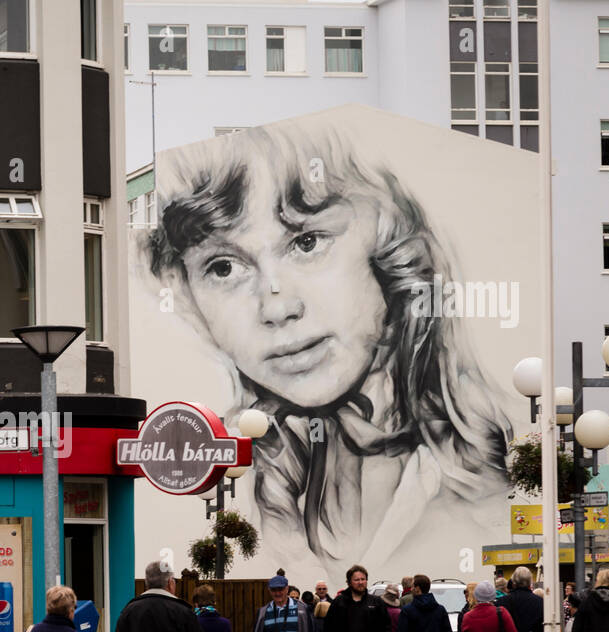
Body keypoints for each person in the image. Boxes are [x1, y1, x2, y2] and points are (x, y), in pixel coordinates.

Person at [144, 120, 512, 578]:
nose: (277, 307)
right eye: (223, 268)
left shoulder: (483, 463)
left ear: (388, 248)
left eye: (307, 242)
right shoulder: (247, 469)